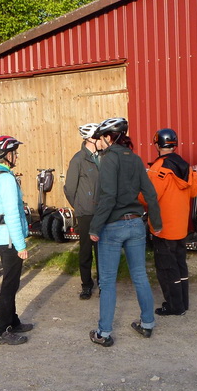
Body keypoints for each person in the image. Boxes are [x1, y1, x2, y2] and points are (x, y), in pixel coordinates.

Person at [88, 117, 162, 347]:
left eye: (100, 138)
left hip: (113, 226)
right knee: (140, 275)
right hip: (136, 224)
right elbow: (150, 193)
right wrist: (157, 223)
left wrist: (94, 226)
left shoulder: (109, 158)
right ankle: (147, 323)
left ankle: (103, 333)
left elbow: (108, 196)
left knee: (108, 281)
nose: (99, 142)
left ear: (108, 138)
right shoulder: (136, 159)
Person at [0, 135, 34, 345]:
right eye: (14, 152)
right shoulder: (7, 179)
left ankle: (13, 321)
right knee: (10, 285)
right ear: (6, 155)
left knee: (12, 282)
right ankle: (2, 331)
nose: (16, 156)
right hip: (9, 239)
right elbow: (11, 214)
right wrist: (21, 245)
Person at [144, 128, 197, 316]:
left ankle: (174, 306)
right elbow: (194, 191)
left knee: (167, 268)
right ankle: (183, 303)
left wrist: (136, 193)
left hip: (163, 227)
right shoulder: (186, 166)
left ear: (158, 144)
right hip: (180, 226)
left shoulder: (159, 167)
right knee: (180, 264)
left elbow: (149, 197)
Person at [63, 122, 101, 299]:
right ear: (90, 139)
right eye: (98, 137)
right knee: (86, 250)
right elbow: (69, 189)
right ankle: (86, 285)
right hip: (85, 213)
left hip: (101, 212)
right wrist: (79, 207)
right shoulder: (78, 159)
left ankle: (103, 283)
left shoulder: (102, 158)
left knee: (102, 250)